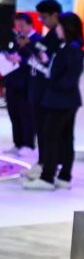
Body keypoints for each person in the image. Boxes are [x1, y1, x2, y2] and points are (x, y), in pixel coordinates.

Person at [23, 12, 84, 191]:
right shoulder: (69, 47)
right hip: (63, 100)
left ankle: (47, 177)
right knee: (64, 139)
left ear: (67, 28)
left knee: (51, 138)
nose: (56, 29)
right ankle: (63, 177)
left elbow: (70, 77)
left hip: (60, 101)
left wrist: (51, 82)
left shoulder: (72, 48)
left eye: (59, 26)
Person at [21, 0, 63, 179]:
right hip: (39, 86)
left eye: (44, 17)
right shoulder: (51, 34)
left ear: (55, 15)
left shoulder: (58, 35)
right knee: (41, 128)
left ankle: (46, 165)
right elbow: (42, 52)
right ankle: (43, 163)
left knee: (46, 130)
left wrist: (31, 46)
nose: (42, 21)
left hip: (46, 89)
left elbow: (46, 55)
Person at [3, 13, 41, 157]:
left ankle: (28, 144)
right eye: (17, 26)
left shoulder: (38, 40)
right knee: (14, 113)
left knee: (26, 114)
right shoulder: (16, 38)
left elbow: (39, 61)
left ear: (30, 25)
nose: (19, 29)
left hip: (27, 83)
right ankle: (17, 143)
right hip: (12, 81)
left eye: (22, 26)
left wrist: (21, 59)